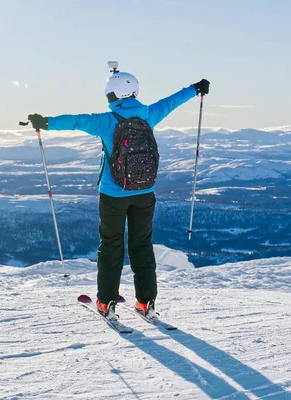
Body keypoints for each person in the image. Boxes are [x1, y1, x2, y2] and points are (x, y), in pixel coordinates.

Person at [28, 70, 209, 318]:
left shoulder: (106, 120)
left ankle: (106, 302)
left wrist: (44, 122)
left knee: (111, 246)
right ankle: (146, 303)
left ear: (111, 94)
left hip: (113, 195)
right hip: (145, 192)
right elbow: (172, 101)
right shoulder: (148, 114)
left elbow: (77, 120)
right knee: (142, 245)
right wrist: (195, 88)